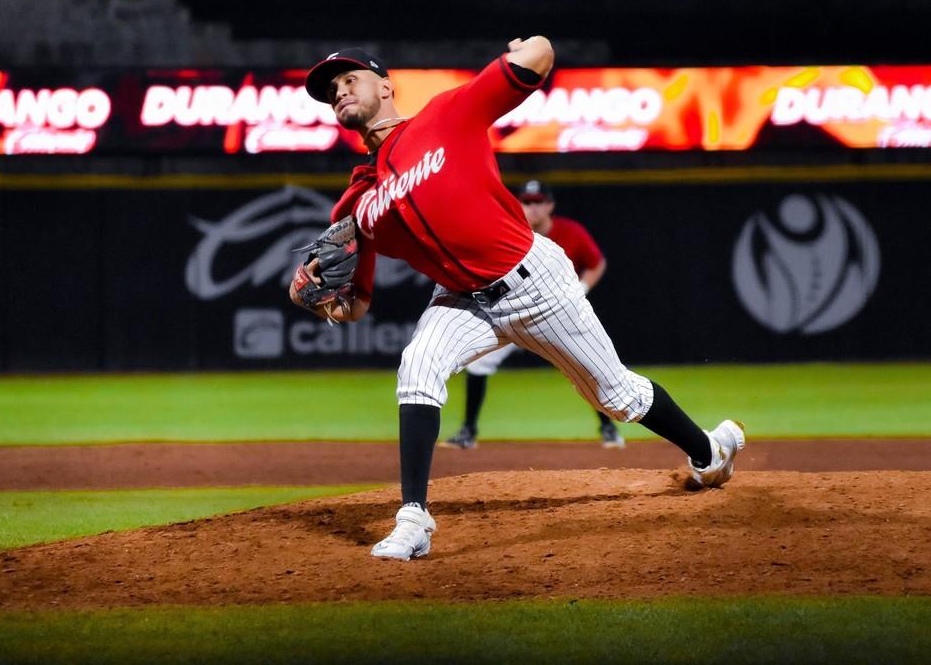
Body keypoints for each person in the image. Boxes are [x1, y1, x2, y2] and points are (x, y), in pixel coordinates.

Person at [290, 38, 745, 561]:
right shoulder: (356, 203)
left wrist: (528, 46)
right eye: (330, 90)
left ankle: (710, 452)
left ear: (387, 86)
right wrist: (320, 300)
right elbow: (357, 304)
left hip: (534, 281)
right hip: (461, 298)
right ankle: (413, 519)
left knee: (619, 398)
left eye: (351, 79)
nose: (339, 90)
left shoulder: (447, 114)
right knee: (417, 365)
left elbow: (540, 57)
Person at [441, 178, 624, 450]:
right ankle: (468, 432)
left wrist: (582, 288)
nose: (533, 208)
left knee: (585, 365)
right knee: (479, 364)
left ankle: (608, 428)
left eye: (539, 202)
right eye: (527, 202)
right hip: (510, 314)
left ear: (550, 205)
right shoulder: (508, 232)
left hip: (556, 315)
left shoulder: (570, 232)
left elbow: (596, 263)